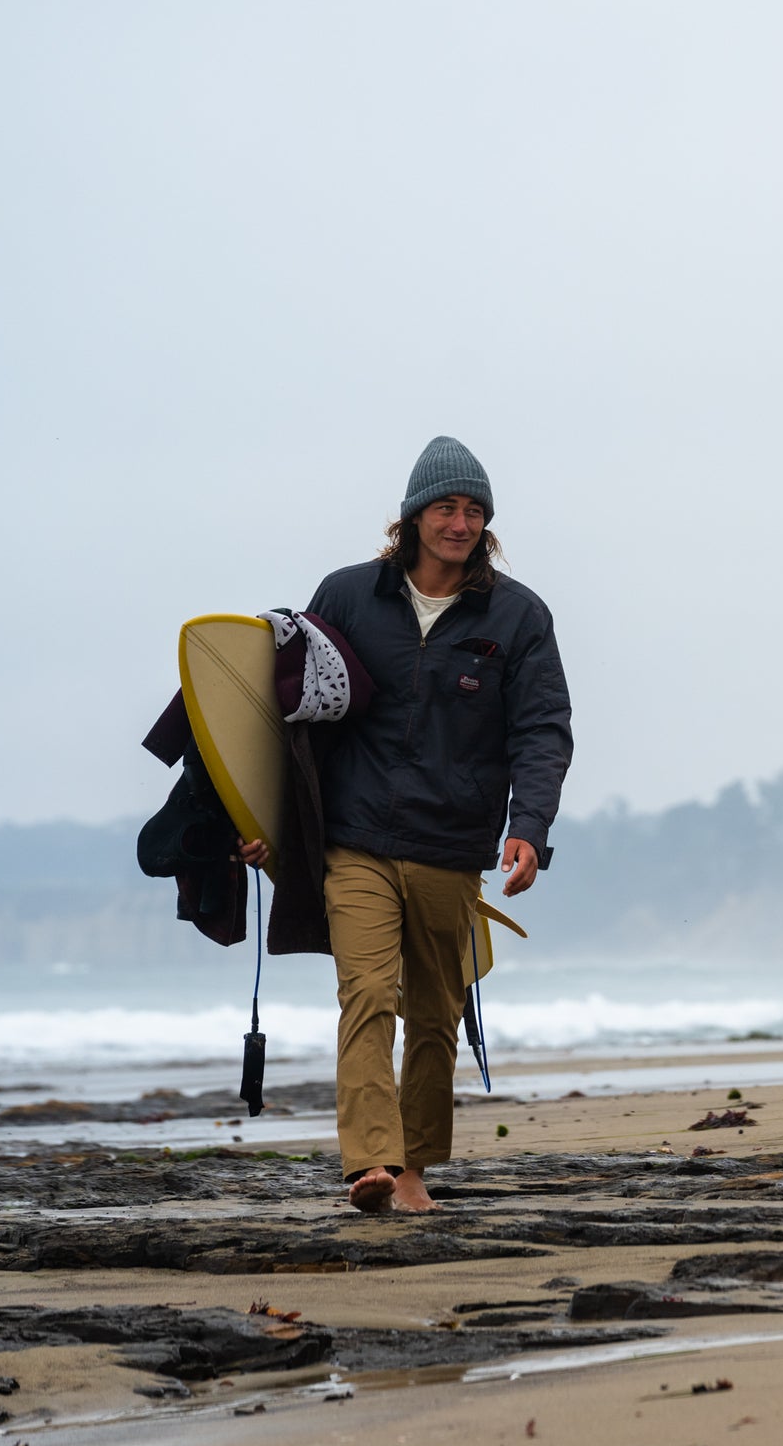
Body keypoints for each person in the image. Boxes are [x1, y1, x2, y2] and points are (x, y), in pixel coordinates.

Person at [239, 436, 571, 1212]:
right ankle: (370, 1163)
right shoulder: (349, 597)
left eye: (473, 511)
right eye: (445, 507)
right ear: (413, 515)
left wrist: (531, 827)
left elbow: (542, 729)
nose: (458, 522)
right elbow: (294, 716)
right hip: (355, 840)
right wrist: (263, 824)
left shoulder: (517, 617)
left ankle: (416, 1168)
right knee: (366, 993)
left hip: (451, 847)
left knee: (434, 1015)